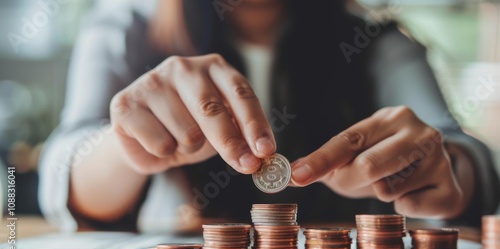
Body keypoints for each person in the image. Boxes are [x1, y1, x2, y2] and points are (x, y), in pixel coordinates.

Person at [39, 0, 499, 232]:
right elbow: (60, 172)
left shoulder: (378, 43)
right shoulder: (127, 22)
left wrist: (450, 170)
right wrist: (127, 151)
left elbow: (459, 148)